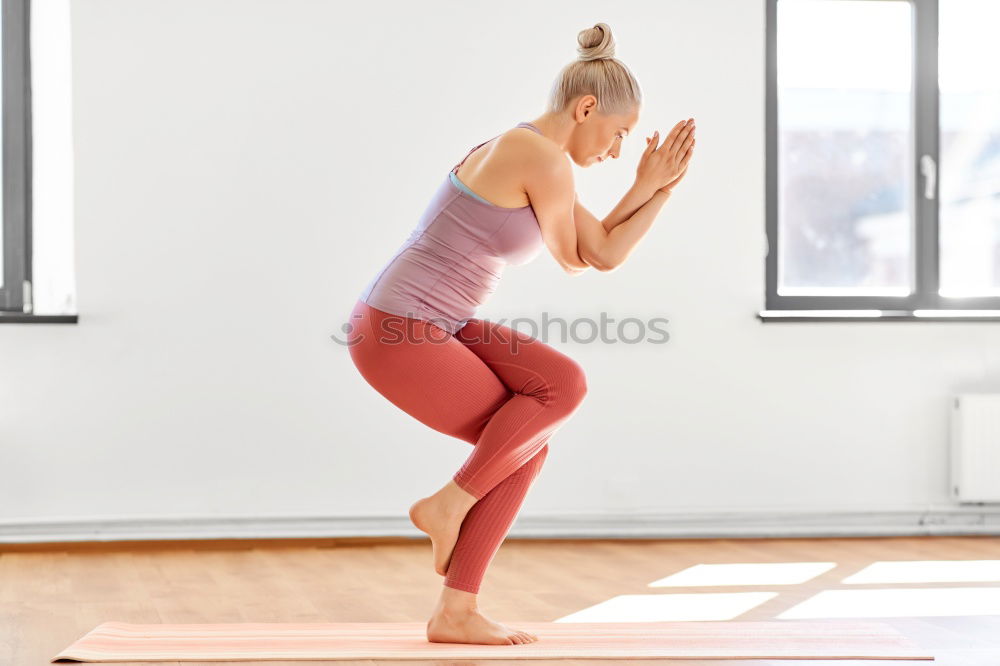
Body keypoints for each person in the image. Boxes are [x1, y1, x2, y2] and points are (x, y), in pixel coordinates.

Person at [345, 21, 695, 646]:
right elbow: (580, 260)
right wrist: (644, 185)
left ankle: (455, 611)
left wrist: (659, 189)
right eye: (618, 134)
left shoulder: (539, 157)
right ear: (586, 108)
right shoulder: (538, 156)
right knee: (551, 404)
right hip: (399, 328)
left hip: (430, 323)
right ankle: (449, 506)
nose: (617, 151)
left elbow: (604, 250)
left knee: (540, 414)